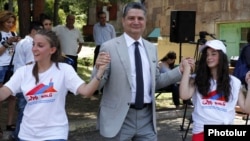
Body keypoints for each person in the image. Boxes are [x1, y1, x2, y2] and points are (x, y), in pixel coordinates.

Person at [92, 2, 195, 140]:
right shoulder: (109, 47)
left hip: (146, 118)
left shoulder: (151, 49)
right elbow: (97, 85)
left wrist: (180, 71)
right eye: (131, 18)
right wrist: (97, 69)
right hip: (119, 118)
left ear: (145, 21)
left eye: (140, 18)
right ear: (123, 21)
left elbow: (156, 82)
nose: (136, 22)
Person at [0, 30, 110, 140]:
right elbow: (3, 93)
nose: (34, 49)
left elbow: (87, 91)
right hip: (27, 135)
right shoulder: (23, 72)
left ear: (52, 50)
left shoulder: (64, 70)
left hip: (55, 134)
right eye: (33, 44)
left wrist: (100, 71)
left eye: (40, 45)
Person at [179, 39, 250, 141]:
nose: (209, 58)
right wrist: (187, 70)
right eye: (207, 55)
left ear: (221, 57)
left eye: (213, 54)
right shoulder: (197, 79)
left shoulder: (234, 82)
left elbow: (246, 109)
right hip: (201, 131)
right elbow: (184, 95)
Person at [11, 21, 43, 140]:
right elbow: (31, 64)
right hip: (27, 81)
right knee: (25, 111)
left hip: (20, 80)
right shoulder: (30, 44)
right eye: (40, 32)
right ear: (33, 31)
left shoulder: (22, 42)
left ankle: (18, 135)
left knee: (23, 110)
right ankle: (19, 136)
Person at [0, 10, 20, 137]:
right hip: (1, 67)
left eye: (12, 22)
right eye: (8, 22)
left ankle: (10, 123)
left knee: (13, 96)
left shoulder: (13, 33)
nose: (10, 24)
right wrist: (8, 42)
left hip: (13, 67)